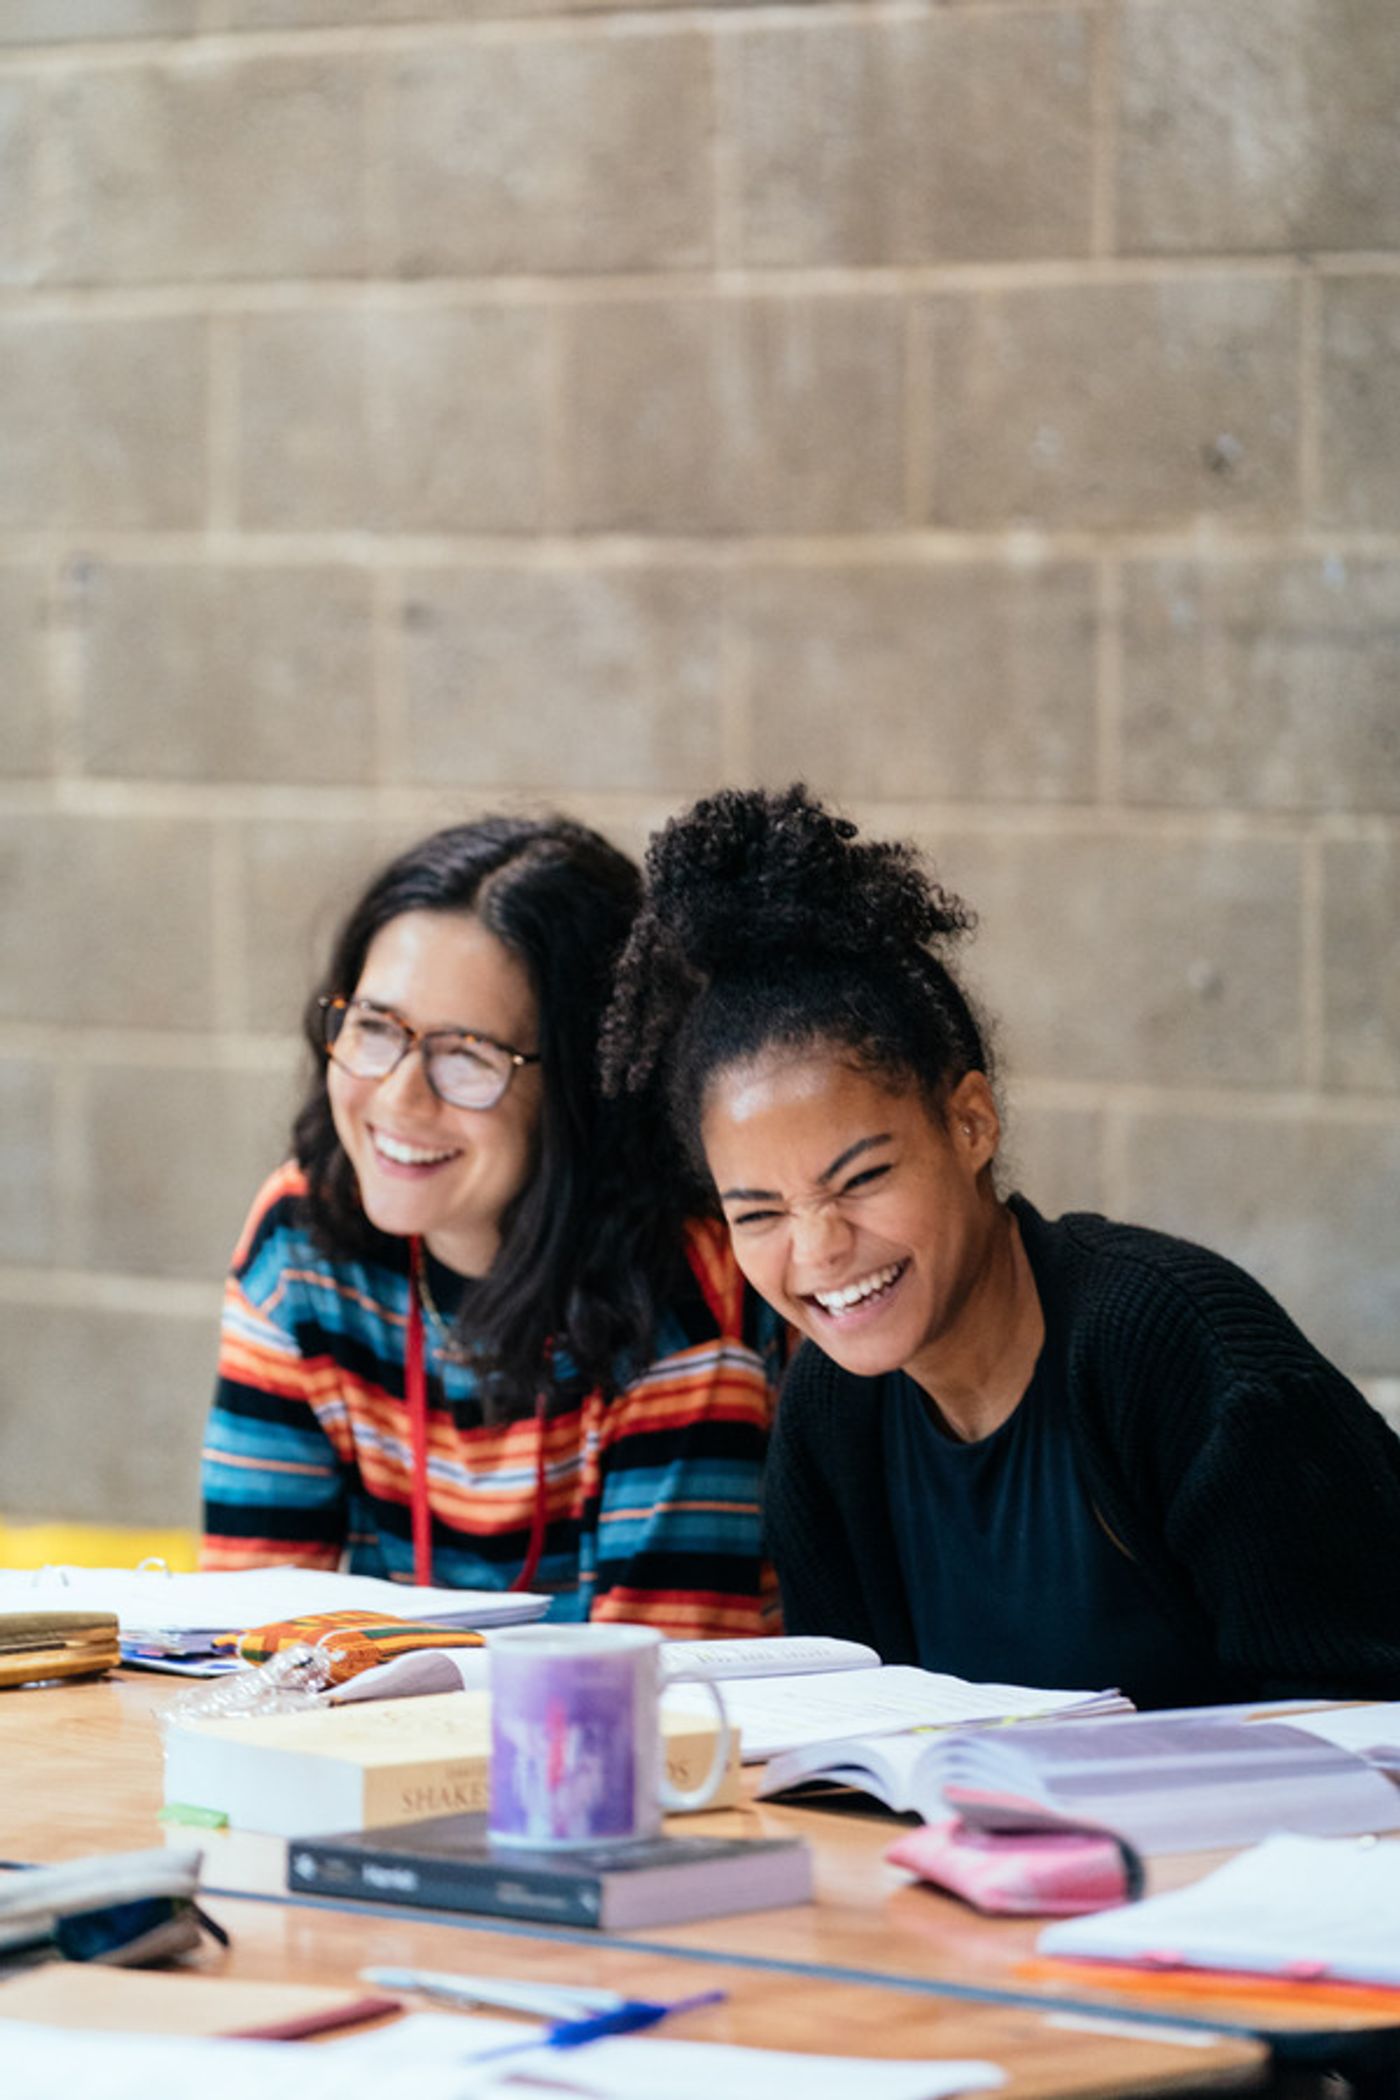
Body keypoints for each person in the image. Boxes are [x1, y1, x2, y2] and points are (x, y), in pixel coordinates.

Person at [600, 783, 1400, 1705]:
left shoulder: (1171, 1349)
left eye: (861, 1179)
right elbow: (848, 1745)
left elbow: (1359, 1721)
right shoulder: (830, 1418)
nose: (819, 1250)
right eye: (760, 1213)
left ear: (970, 1124)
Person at [201, 815, 782, 1637]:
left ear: (585, 1085)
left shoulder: (682, 1284)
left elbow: (661, 1705)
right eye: (374, 1028)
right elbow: (246, 1635)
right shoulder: (303, 1240)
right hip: (388, 1749)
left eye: (466, 1055)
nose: (400, 1098)